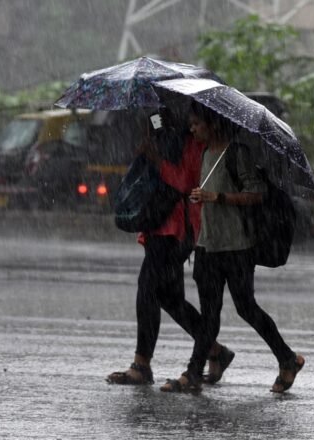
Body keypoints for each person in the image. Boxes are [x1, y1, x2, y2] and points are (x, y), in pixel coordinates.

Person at [160, 103, 304, 393]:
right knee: (210, 314)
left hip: (237, 247)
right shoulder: (204, 154)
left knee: (246, 308)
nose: (192, 129)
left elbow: (256, 194)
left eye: (197, 124)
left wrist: (218, 197)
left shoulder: (238, 154)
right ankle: (192, 373)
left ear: (213, 125)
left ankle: (287, 359)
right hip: (207, 246)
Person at [107, 107, 235, 386]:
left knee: (147, 288)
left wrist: (156, 159)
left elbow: (186, 182)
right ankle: (214, 350)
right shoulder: (160, 122)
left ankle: (142, 364)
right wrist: (149, 145)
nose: (191, 126)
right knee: (169, 297)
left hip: (178, 227)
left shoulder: (196, 140)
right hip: (159, 222)